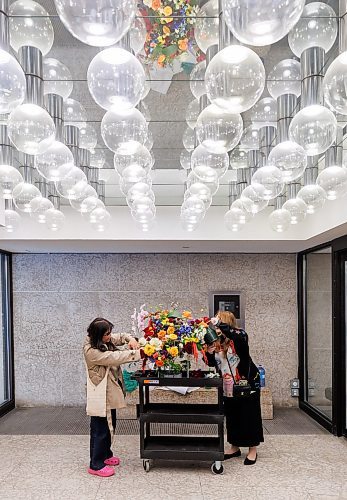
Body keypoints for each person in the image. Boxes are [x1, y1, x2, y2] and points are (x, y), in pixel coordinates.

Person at [83, 317, 141, 477]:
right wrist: (138, 353)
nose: (110, 336)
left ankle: (106, 455)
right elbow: (114, 357)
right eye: (107, 334)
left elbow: (122, 336)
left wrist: (132, 340)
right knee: (99, 430)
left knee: (110, 425)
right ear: (99, 335)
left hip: (109, 391)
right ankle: (95, 464)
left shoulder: (102, 339)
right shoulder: (92, 351)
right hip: (100, 394)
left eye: (110, 333)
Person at [205, 311, 264, 465]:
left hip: (247, 384)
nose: (216, 326)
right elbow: (213, 364)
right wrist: (209, 353)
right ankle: (234, 447)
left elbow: (236, 335)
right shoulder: (218, 342)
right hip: (228, 385)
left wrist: (219, 325)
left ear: (226, 323)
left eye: (219, 322)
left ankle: (252, 449)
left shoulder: (240, 337)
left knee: (249, 415)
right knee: (232, 415)